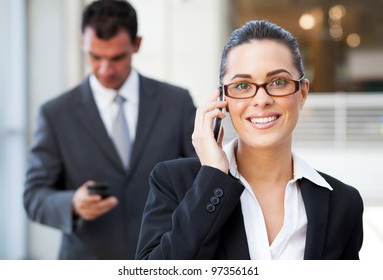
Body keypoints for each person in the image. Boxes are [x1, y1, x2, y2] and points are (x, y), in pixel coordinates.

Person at [135, 20, 364, 260]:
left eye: (278, 82)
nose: (261, 99)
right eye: (242, 85)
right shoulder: (174, 182)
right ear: (223, 99)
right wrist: (212, 177)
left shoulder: (343, 203)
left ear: (303, 93)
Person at [23, 0, 196, 260]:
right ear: (82, 43)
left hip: (164, 258)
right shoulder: (55, 114)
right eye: (95, 57)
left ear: (136, 45)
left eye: (117, 58)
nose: (106, 70)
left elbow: (201, 176)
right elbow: (34, 196)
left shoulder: (177, 103)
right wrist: (71, 204)